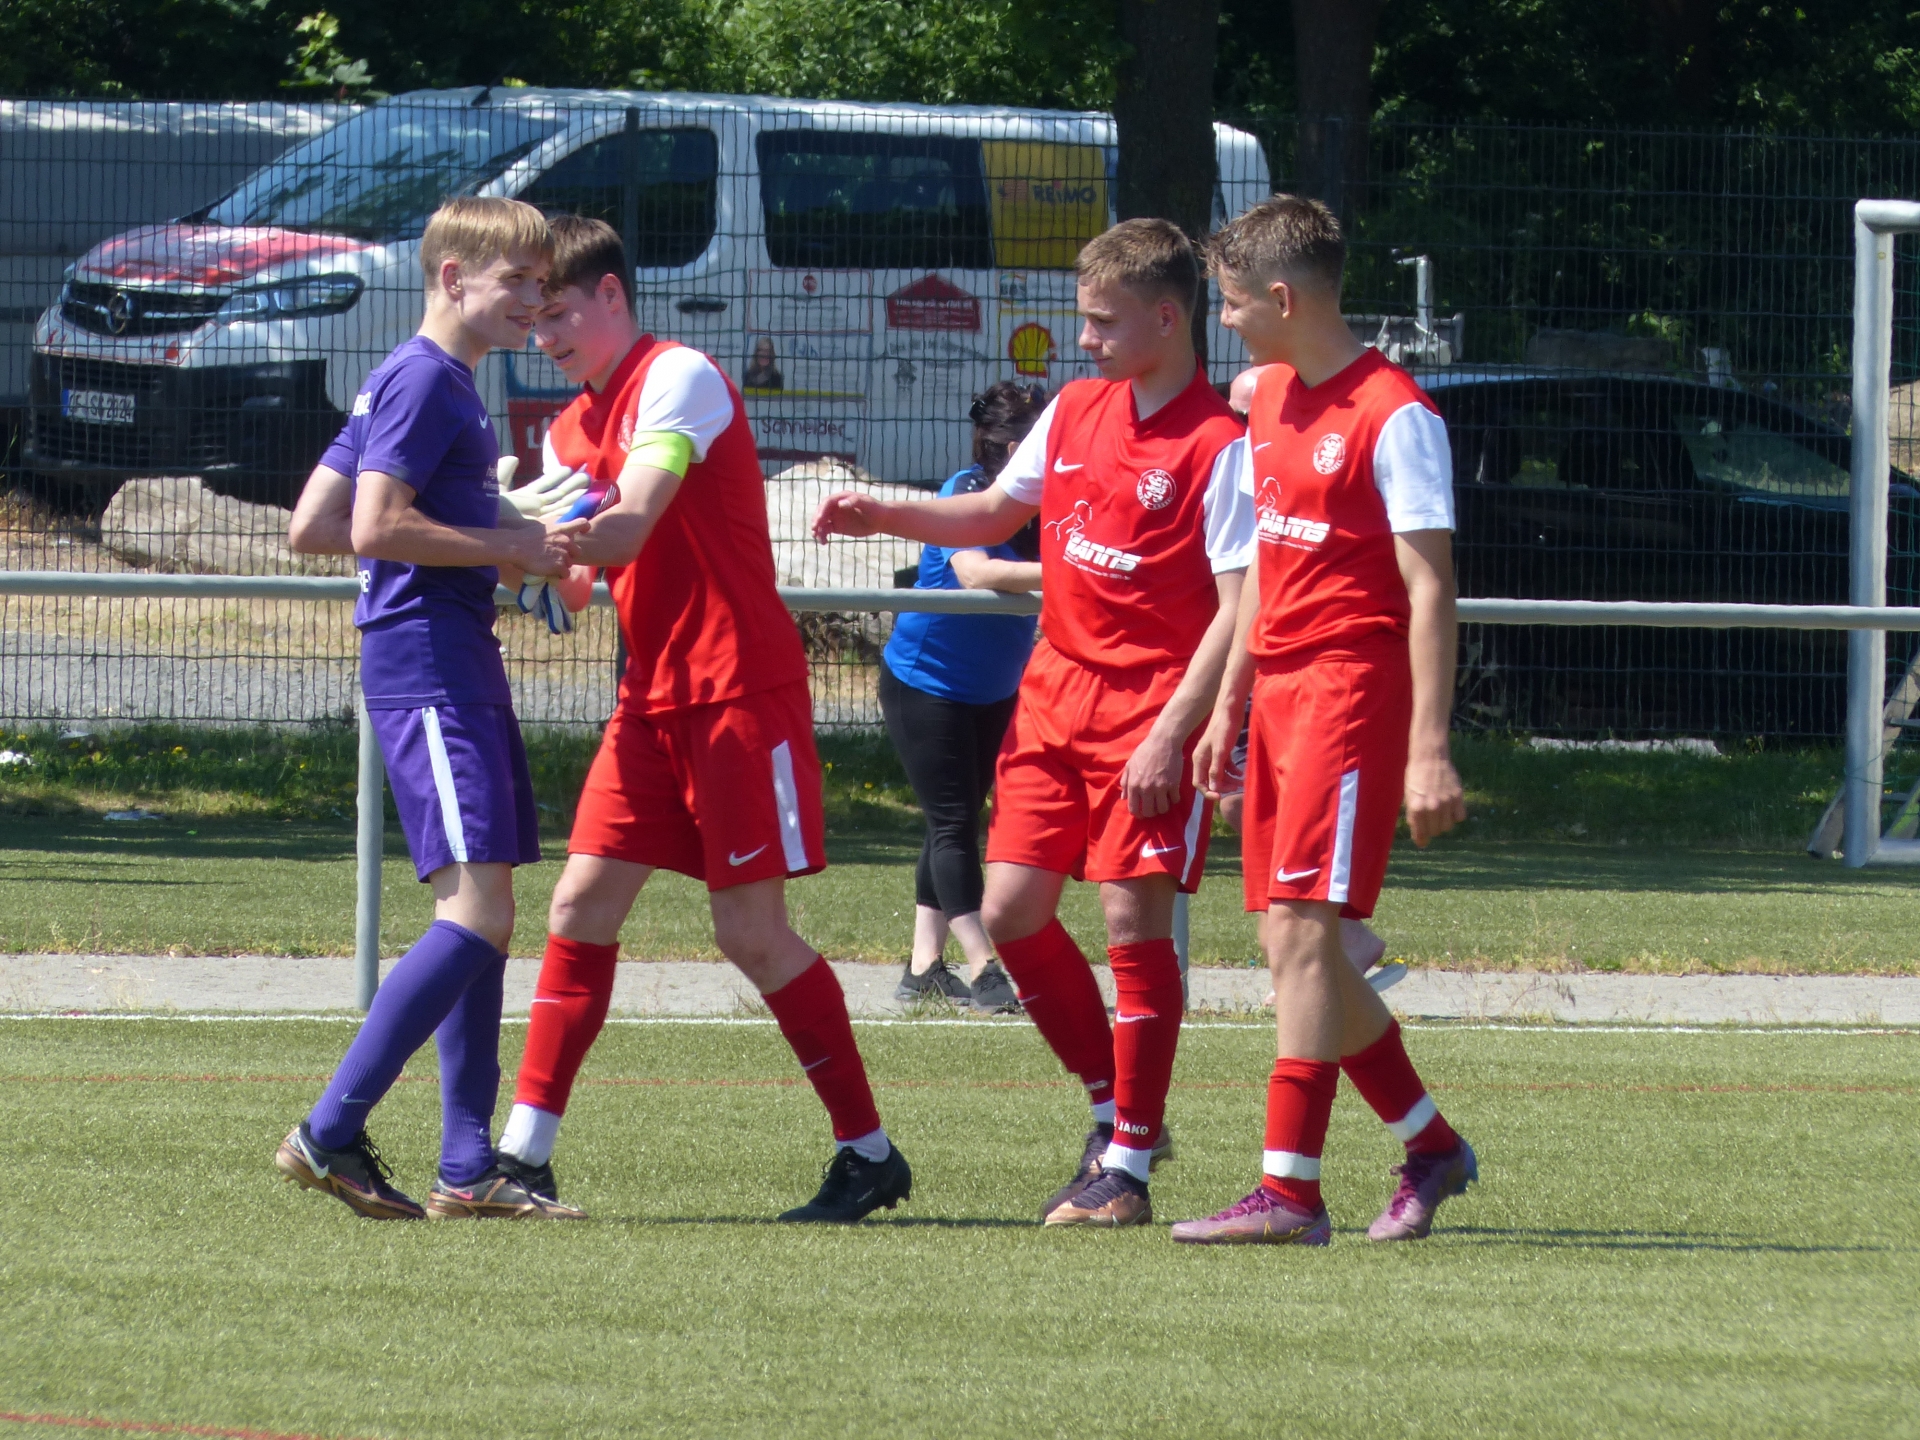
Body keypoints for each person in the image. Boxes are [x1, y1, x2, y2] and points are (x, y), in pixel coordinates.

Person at [814, 218, 1255, 1228]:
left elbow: (1240, 609)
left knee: (1133, 925)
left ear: (1167, 318)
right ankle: (1115, 1112)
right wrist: (884, 511)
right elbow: (988, 517)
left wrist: (1176, 731)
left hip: (1149, 712)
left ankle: (1127, 1167)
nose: (1084, 339)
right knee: (1009, 913)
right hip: (1052, 698)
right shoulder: (1076, 408)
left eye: (1103, 321)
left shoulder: (1219, 446)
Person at [492, 215, 912, 1224]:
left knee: (751, 935)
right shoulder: (566, 428)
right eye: (533, 317)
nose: (543, 336)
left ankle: (868, 1154)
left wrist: (504, 532)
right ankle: (521, 1159)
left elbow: (628, 525)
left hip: (736, 692)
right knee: (578, 908)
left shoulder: (677, 375)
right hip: (651, 699)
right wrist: (504, 566)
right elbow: (578, 587)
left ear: (612, 296)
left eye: (559, 313)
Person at [1173, 194, 1476, 1247]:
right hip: (1283, 696)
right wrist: (1230, 702)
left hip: (1350, 693)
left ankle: (1290, 1192)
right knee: (1291, 945)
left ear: (1284, 297)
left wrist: (1429, 750)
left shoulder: (1397, 415)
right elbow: (1270, 561)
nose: (1223, 322)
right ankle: (1431, 1146)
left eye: (1231, 303)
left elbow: (1430, 589)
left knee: (1305, 937)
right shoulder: (1268, 398)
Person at [276, 196, 587, 1221]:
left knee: (486, 913)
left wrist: (491, 523)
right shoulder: (425, 379)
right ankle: (328, 1132)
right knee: (478, 914)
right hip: (429, 665)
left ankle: (467, 1164)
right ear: (453, 277)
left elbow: (312, 525)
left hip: (453, 657)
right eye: (517, 281)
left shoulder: (418, 379)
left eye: (542, 283)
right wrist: (506, 544)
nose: (534, 301)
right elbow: (373, 526)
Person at [883, 381, 1046, 1015]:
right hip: (927, 684)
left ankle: (923, 967)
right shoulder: (964, 492)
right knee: (953, 824)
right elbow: (975, 572)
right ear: (1010, 446)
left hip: (994, 687)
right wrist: (1073, 572)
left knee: (952, 821)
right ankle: (983, 964)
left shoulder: (1048, 501)